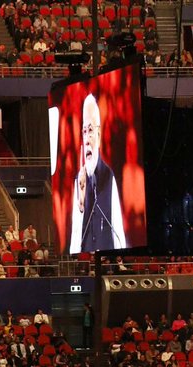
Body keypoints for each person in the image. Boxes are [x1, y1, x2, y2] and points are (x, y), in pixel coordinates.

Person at [70, 94, 128, 253]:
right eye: (83, 131)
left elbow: (119, 237)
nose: (87, 139)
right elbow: (75, 241)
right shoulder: (78, 181)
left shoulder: (110, 177)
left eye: (90, 130)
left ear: (99, 135)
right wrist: (81, 203)